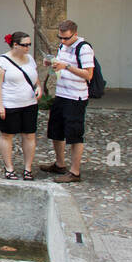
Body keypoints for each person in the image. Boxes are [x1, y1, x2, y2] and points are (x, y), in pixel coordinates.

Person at [41, 19, 95, 183]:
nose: (63, 41)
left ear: (75, 34)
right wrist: (52, 64)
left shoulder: (84, 48)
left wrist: (67, 67)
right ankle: (60, 163)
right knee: (55, 130)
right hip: (62, 93)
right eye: (60, 38)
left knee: (74, 134)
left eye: (66, 38)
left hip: (76, 96)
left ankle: (75, 172)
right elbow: (59, 65)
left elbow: (88, 74)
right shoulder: (62, 46)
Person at [0, 31, 43, 180]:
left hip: (29, 103)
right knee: (7, 135)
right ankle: (9, 167)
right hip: (9, 104)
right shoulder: (1, 62)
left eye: (29, 44)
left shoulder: (30, 59)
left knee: (29, 135)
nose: (28, 47)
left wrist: (38, 87)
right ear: (15, 45)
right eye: (25, 45)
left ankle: (28, 168)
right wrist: (0, 106)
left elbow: (35, 77)